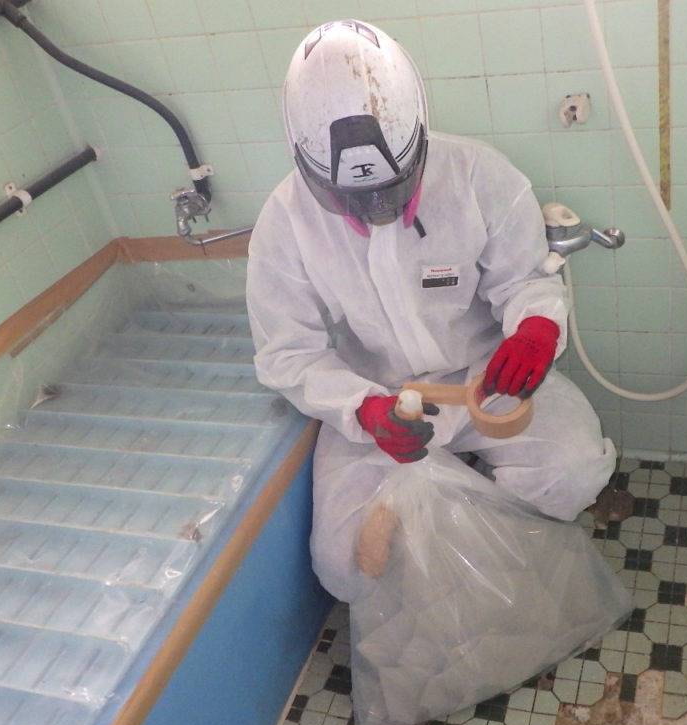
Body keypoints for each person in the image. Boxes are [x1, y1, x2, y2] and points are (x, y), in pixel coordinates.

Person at [246, 19, 617, 602]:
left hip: (485, 381)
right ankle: (459, 507)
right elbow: (287, 352)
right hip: (379, 400)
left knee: (574, 473)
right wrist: (362, 408)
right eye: (352, 199)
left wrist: (536, 328)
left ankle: (455, 512)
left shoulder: (479, 176)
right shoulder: (285, 220)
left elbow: (526, 279)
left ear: (418, 137)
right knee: (342, 567)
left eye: (391, 188)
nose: (376, 211)